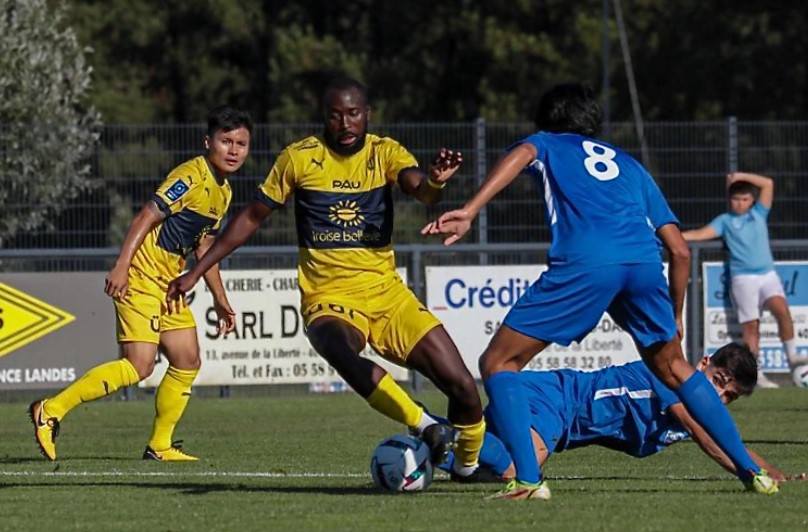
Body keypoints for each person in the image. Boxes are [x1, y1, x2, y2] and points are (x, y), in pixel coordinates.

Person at [422, 83, 777, 499]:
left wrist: (471, 208)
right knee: (677, 369)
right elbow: (680, 251)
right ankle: (754, 473)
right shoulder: (630, 164)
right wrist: (674, 315)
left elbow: (522, 155)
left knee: (498, 362)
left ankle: (529, 481)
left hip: (589, 260)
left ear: (548, 121)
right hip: (644, 264)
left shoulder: (547, 144)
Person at [166, 76, 496, 482]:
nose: (345, 123)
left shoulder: (384, 152)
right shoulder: (299, 158)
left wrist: (434, 183)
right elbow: (250, 218)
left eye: (353, 114)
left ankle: (465, 467)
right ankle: (423, 423)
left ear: (367, 115)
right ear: (325, 117)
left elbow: (419, 190)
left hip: (387, 295)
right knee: (339, 350)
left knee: (463, 386)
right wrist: (194, 272)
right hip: (328, 297)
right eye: (336, 115)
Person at [29, 106, 253, 462]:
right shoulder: (191, 176)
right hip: (142, 277)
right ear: (208, 141)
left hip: (170, 286)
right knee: (140, 365)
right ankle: (50, 410)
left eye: (241, 143)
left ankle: (160, 445)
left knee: (187, 359)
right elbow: (147, 215)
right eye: (226, 141)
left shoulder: (223, 192)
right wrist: (122, 265)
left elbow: (204, 246)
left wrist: (220, 299)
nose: (234, 150)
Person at [436, 342, 804, 486]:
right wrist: (756, 476)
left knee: (484, 472)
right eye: (719, 380)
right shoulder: (671, 380)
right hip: (549, 399)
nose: (720, 395)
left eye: (730, 395)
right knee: (522, 472)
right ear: (704, 363)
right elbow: (712, 439)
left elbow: (729, 441)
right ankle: (429, 426)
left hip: (555, 415)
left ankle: (436, 443)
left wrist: (777, 474)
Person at [683, 172, 805, 388]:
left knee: (782, 311)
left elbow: (767, 183)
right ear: (730, 200)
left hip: (767, 274)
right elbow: (700, 234)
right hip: (743, 278)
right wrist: (673, 236)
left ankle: (793, 356)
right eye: (736, 199)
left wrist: (739, 176)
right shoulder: (725, 221)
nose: (740, 203)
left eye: (745, 199)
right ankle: (757, 373)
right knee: (751, 327)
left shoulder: (758, 214)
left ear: (752, 200)